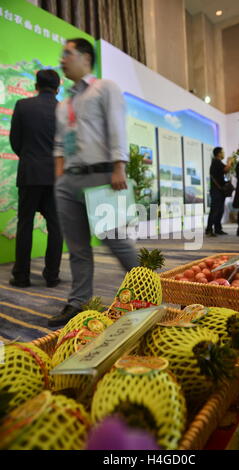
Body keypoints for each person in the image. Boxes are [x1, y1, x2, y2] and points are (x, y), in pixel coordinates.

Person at [48, 38, 138, 327]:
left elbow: (117, 128)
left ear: (86, 57)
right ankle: (78, 303)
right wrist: (59, 178)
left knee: (116, 241)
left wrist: (119, 167)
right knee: (77, 249)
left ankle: (150, 291)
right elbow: (60, 144)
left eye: (68, 54)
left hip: (102, 177)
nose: (62, 59)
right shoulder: (64, 104)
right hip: (68, 182)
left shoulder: (105, 88)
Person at [9, 69, 63, 288]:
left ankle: (21, 277)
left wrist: (31, 159)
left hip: (30, 173)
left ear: (36, 85)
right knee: (56, 227)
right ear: (58, 87)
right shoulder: (65, 111)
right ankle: (52, 276)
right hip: (56, 177)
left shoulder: (23, 106)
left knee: (24, 226)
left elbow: (15, 141)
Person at [205, 147, 233, 236]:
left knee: (220, 210)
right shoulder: (216, 162)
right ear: (218, 154)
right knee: (215, 210)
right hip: (216, 190)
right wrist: (229, 162)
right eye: (222, 152)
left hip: (219, 190)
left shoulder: (217, 162)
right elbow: (226, 169)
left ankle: (218, 228)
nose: (224, 153)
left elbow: (224, 172)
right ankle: (209, 229)